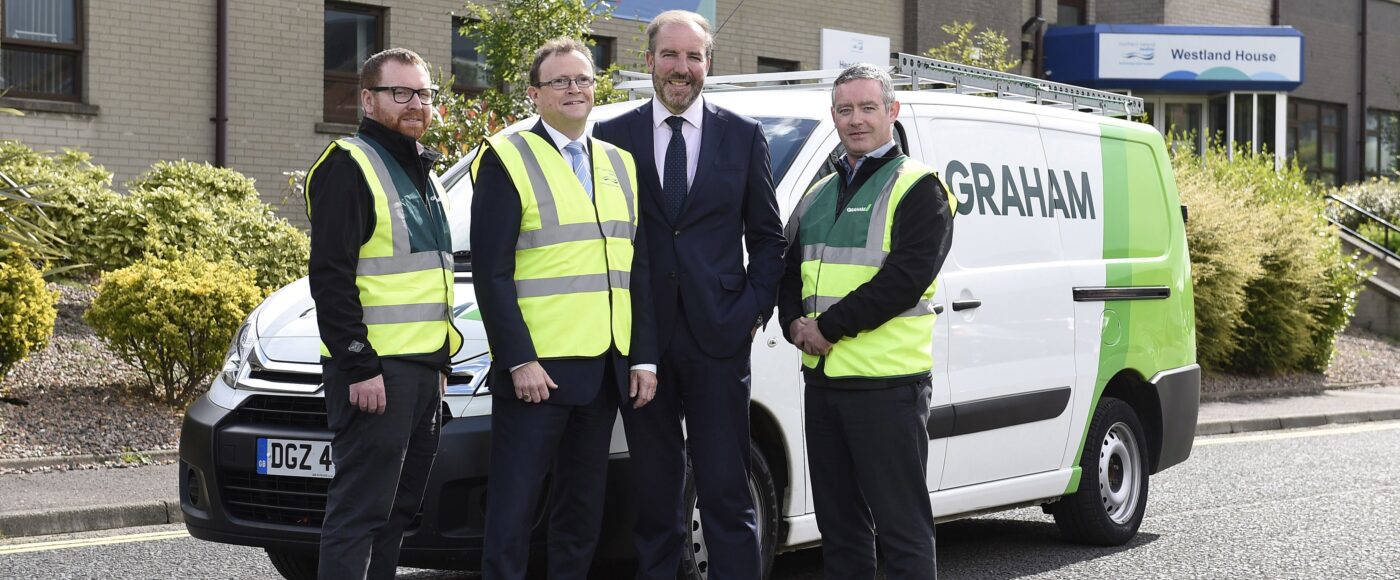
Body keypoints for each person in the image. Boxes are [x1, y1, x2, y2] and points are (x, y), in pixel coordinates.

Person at [592, 9, 786, 580]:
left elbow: (769, 238)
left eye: (693, 56)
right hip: (641, 341)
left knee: (727, 493)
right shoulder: (612, 138)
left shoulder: (744, 136)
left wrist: (752, 312)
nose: (682, 68)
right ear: (648, 61)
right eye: (670, 56)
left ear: (708, 63)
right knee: (654, 498)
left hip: (719, 338)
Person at [470, 38, 657, 580]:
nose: (575, 89)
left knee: (581, 512)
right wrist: (518, 359)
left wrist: (642, 357)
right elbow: (492, 273)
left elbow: (635, 270)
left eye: (583, 80)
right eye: (560, 81)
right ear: (534, 95)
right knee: (512, 511)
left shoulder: (621, 164)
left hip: (604, 371)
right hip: (538, 375)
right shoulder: (506, 158)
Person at [776, 63, 956, 580]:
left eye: (867, 108)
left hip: (888, 388)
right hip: (826, 384)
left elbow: (903, 279)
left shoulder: (920, 187)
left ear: (892, 111)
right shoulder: (817, 194)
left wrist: (826, 328)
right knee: (841, 531)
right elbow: (790, 270)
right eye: (845, 110)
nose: (856, 120)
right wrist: (792, 322)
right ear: (833, 115)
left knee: (901, 531)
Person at [305, 48, 463, 580]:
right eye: (402, 93)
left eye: (423, 94)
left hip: (420, 372)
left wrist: (440, 365)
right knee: (360, 511)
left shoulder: (424, 170)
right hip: (376, 371)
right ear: (369, 100)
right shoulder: (348, 165)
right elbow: (331, 277)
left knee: (397, 511)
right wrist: (360, 365)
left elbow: (431, 279)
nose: (416, 104)